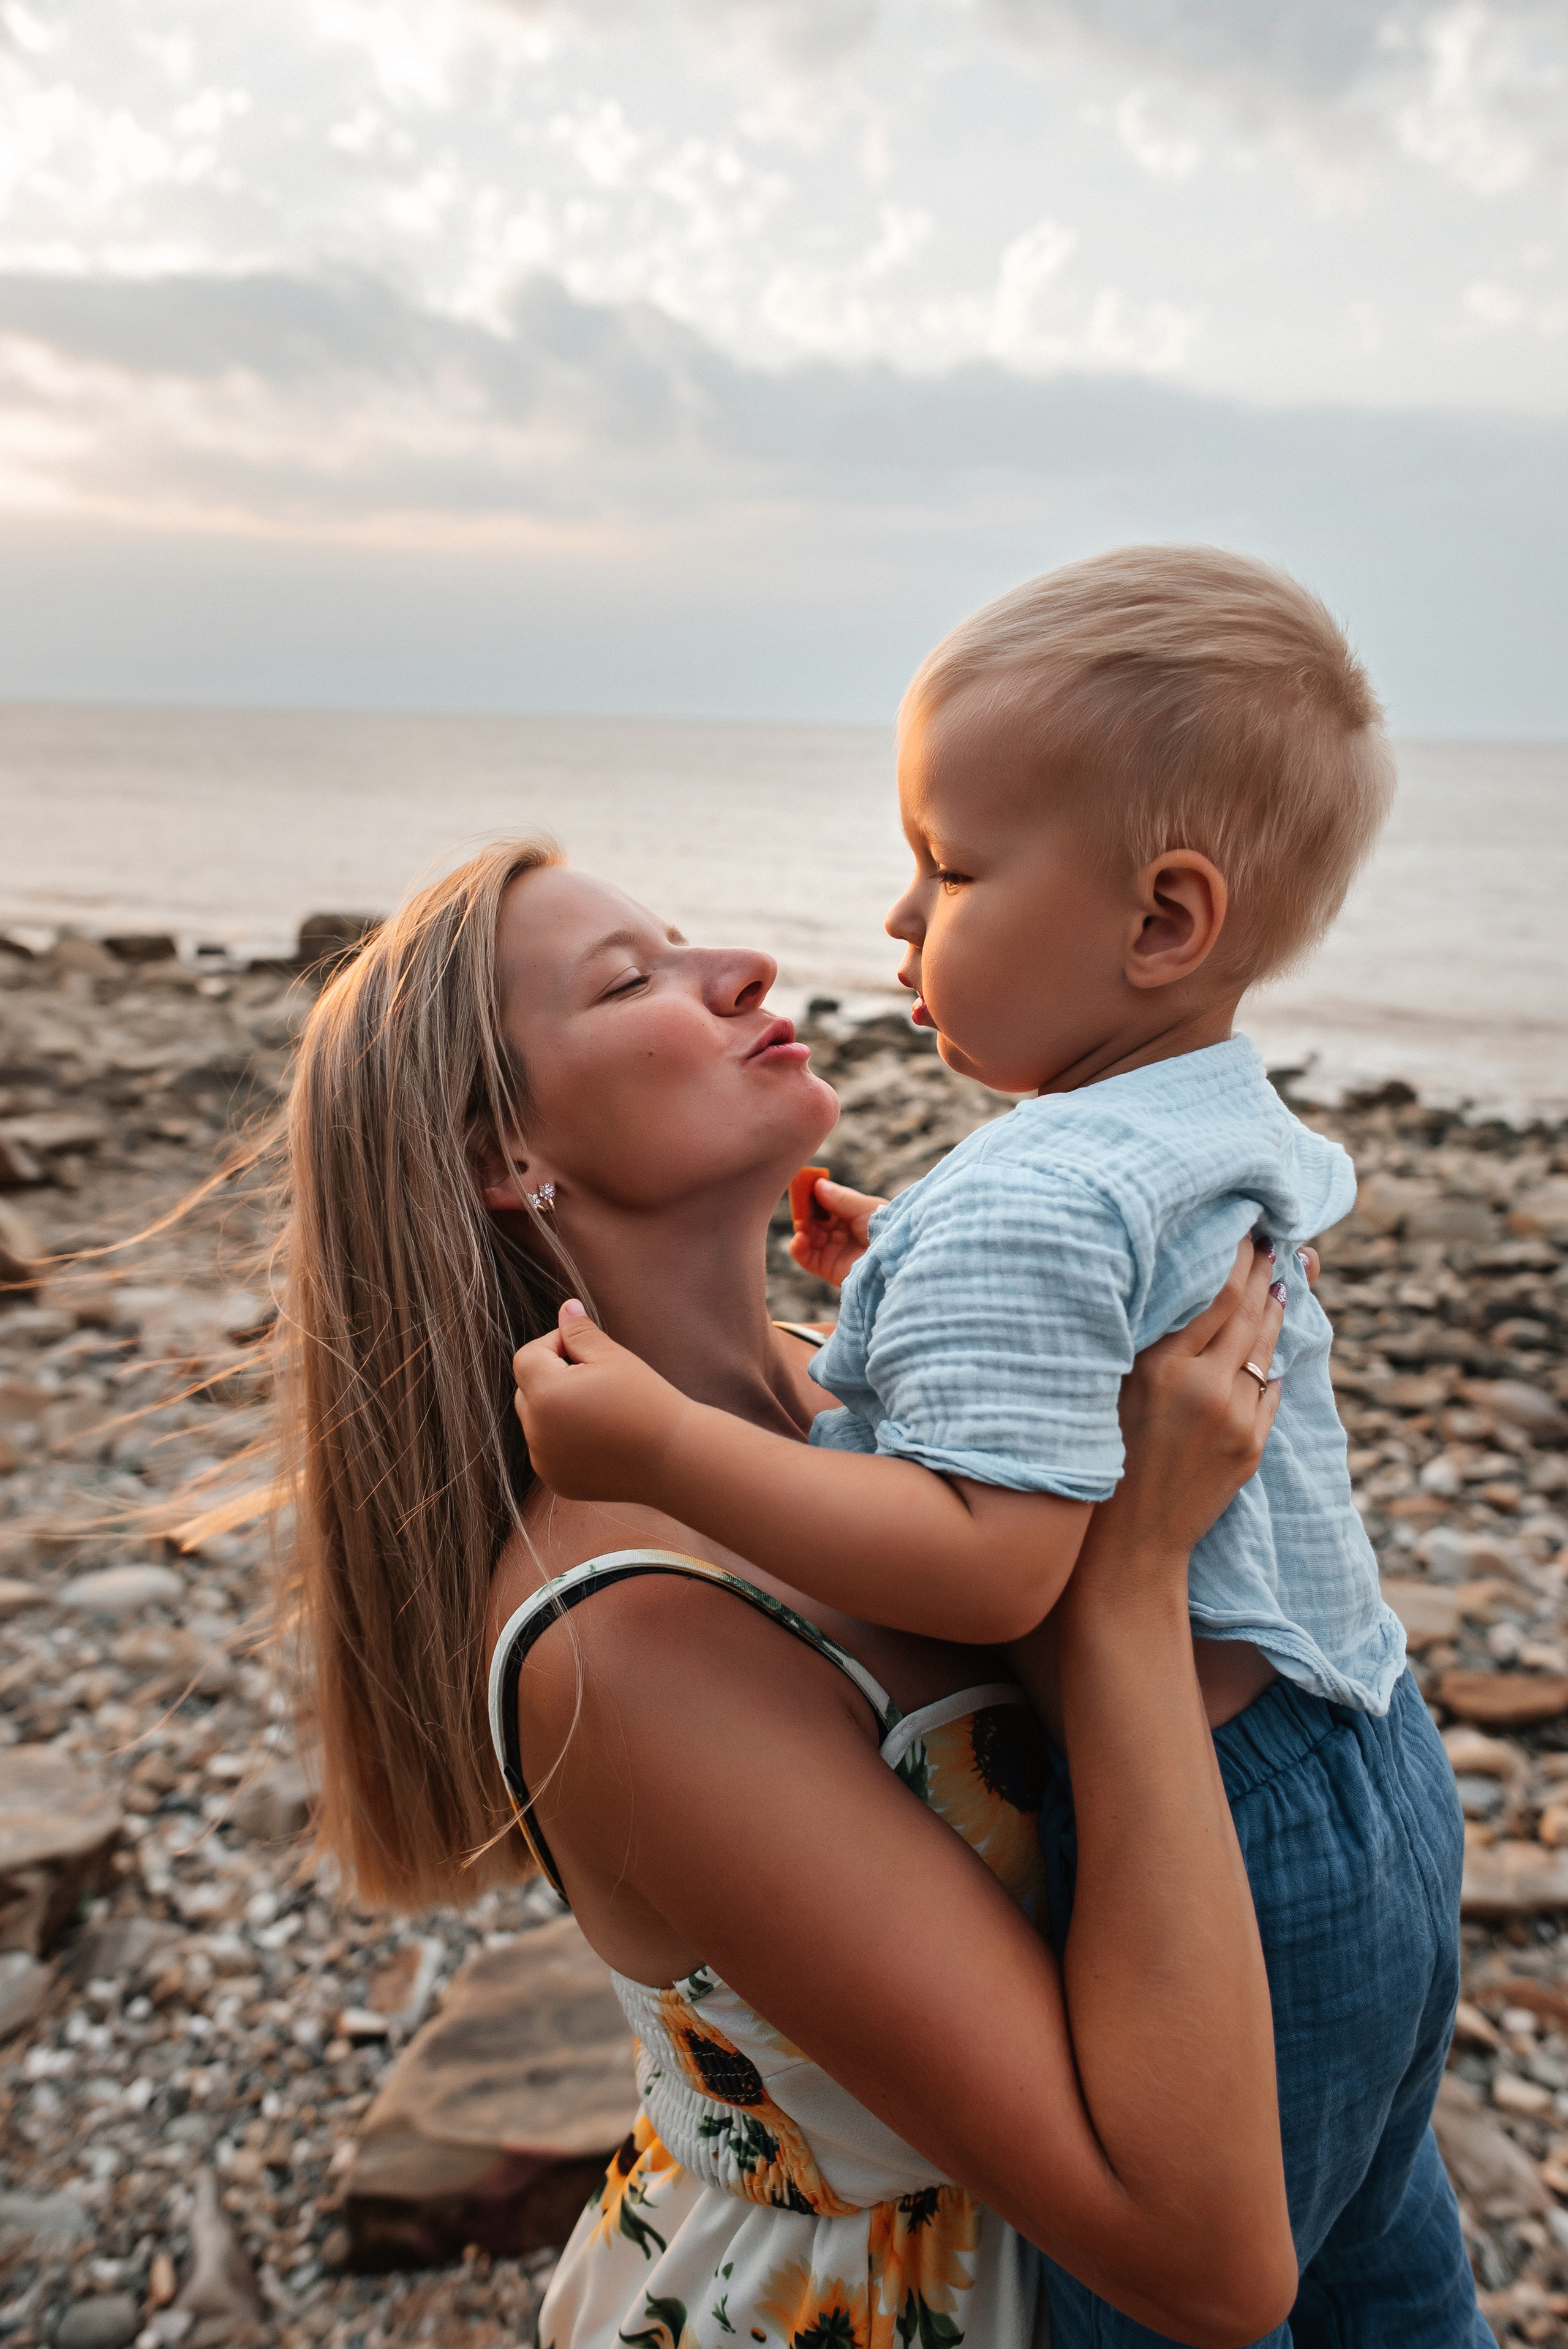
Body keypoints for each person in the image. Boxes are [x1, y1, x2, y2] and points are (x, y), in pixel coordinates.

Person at [513, 550, 1485, 2348]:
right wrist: (923, 1287)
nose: (881, 927)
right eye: (635, 975)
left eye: (947, 869)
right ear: (512, 1145)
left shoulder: (1018, 1198)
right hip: (1372, 1756)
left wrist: (660, 1442)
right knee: (1392, 2280)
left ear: (1164, 921)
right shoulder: (1185, 1111)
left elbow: (998, 1557)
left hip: (1232, 1832)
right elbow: (1075, 1371)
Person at [279, 839, 1295, 2349]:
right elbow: (1204, 2269)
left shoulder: (836, 1412)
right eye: (631, 980)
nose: (740, 968)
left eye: (684, 939)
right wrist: (1134, 1572)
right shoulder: (625, 1632)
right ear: (506, 1157)